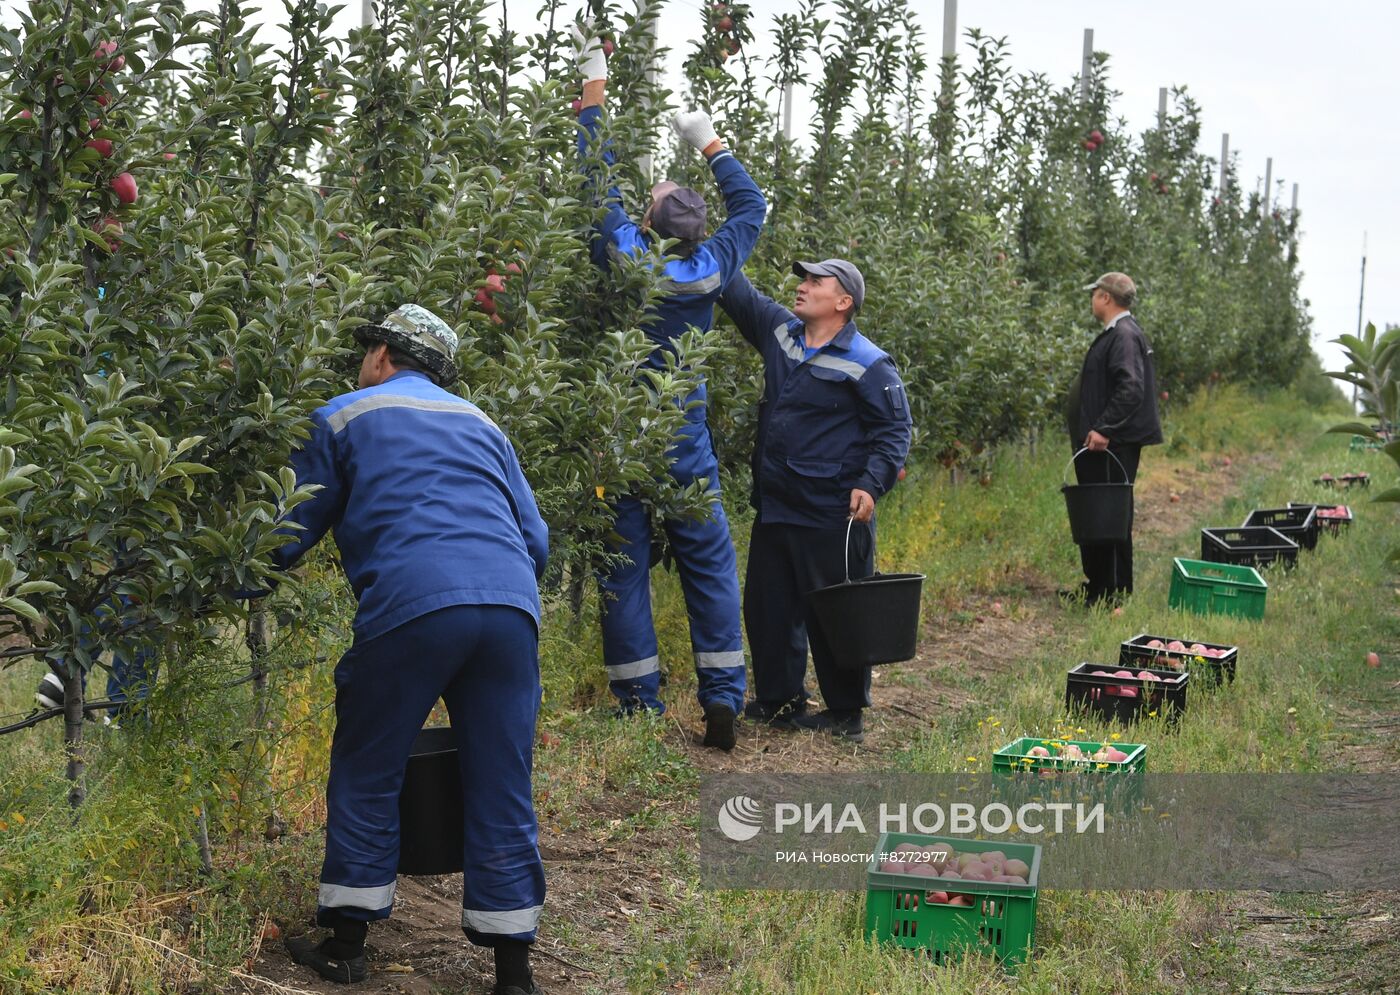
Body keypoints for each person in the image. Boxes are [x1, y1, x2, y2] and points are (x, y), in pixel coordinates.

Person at [268, 304, 550, 995]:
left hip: (415, 602)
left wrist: (225, 576)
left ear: (385, 356)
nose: (361, 360)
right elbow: (536, 539)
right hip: (512, 606)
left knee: (370, 760)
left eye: (367, 348)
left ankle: (345, 944)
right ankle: (514, 973)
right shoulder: (483, 424)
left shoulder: (344, 414)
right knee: (502, 778)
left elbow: (283, 534)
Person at [572, 23, 767, 750]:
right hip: (683, 439)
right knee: (710, 564)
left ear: (648, 224)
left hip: (624, 436)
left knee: (622, 570)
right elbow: (752, 209)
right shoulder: (711, 267)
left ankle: (637, 705)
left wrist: (595, 89)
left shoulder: (628, 257)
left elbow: (596, 184)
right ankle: (722, 694)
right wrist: (710, 142)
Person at [717, 260, 912, 744]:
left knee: (836, 612)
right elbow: (738, 292)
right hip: (778, 502)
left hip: (832, 510)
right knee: (769, 606)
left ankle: (846, 711)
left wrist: (872, 483)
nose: (800, 288)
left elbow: (893, 432)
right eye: (802, 280)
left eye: (814, 282)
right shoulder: (782, 333)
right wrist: (702, 240)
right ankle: (779, 700)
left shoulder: (869, 361)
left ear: (843, 301)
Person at [1064, 272, 1162, 606]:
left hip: (1110, 444)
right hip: (1104, 443)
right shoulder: (1120, 333)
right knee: (1101, 513)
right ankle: (1101, 586)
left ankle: (1112, 592)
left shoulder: (1123, 335)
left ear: (1106, 297)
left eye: (1095, 294)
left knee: (1108, 515)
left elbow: (1131, 387)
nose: (1092, 299)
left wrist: (1105, 427)